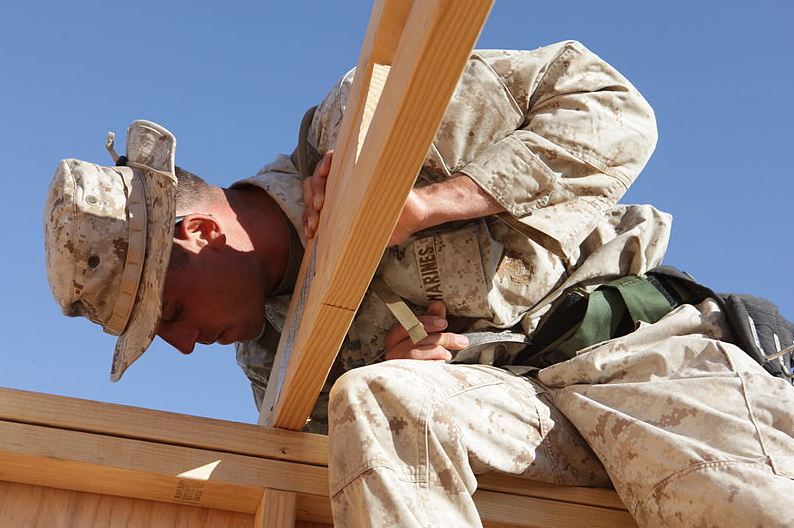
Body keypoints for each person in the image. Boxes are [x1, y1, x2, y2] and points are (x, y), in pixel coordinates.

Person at [44, 41, 794, 527]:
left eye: (168, 313)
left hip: (639, 362)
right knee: (376, 399)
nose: (179, 346)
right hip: (523, 417)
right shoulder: (275, 363)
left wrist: (428, 203)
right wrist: (403, 377)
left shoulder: (369, 128)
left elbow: (614, 114)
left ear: (200, 234)